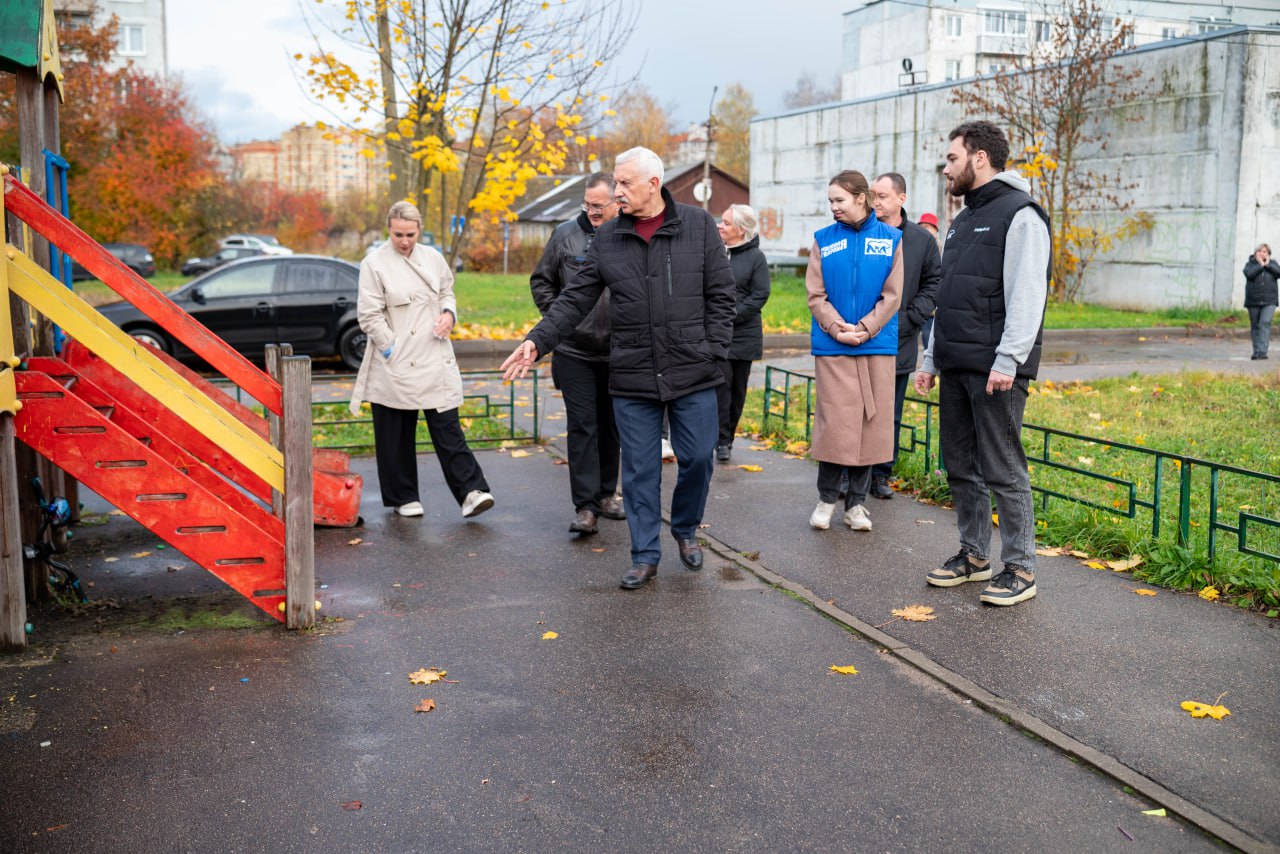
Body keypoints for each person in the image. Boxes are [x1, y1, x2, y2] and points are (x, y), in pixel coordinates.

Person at [501, 147, 736, 590]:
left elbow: (723, 295)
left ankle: (685, 527)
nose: (617, 192)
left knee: (698, 458)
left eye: (625, 183)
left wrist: (713, 350)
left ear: (653, 184)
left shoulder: (698, 225)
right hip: (632, 372)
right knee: (640, 470)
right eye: (616, 183)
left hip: (693, 369)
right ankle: (645, 554)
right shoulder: (608, 237)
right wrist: (537, 341)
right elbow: (573, 299)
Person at [914, 120, 1051, 607]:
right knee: (960, 466)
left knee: (1002, 467)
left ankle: (1021, 567)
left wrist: (1008, 359)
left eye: (952, 158)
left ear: (979, 158)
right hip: (956, 362)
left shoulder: (1021, 215)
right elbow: (949, 298)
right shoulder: (963, 220)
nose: (946, 168)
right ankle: (974, 556)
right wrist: (930, 358)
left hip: (996, 370)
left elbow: (1027, 295)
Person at [350, 201, 495, 520]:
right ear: (389, 230)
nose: (404, 241)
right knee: (395, 432)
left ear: (419, 230)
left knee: (448, 427)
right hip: (395, 360)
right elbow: (369, 314)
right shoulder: (374, 263)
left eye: (410, 234)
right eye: (398, 234)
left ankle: (472, 491)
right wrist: (391, 348)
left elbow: (447, 292)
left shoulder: (433, 258)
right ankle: (403, 496)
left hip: (434, 353)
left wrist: (449, 315)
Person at [806, 170, 903, 533]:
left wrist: (865, 328)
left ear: (861, 198)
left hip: (875, 345)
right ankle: (827, 499)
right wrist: (836, 328)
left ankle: (856, 505)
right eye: (830, 201)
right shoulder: (823, 240)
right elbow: (815, 295)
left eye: (839, 200)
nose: (833, 207)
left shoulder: (892, 239)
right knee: (835, 425)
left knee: (870, 426)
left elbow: (893, 295)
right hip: (833, 346)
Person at [529, 173, 625, 534]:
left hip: (617, 352)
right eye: (588, 204)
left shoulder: (626, 235)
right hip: (574, 352)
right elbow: (542, 281)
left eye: (599, 205)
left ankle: (606, 494)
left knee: (611, 426)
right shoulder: (565, 235)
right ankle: (585, 507)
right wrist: (560, 321)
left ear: (616, 203)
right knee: (582, 426)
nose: (592, 211)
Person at [867, 173, 941, 500]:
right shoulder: (861, 232)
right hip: (859, 336)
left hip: (899, 338)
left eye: (882, 196)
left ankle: (881, 473)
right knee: (854, 408)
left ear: (901, 198)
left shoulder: (921, 241)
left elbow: (934, 283)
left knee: (889, 413)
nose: (875, 201)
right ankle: (847, 473)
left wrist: (910, 318)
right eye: (873, 195)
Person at [714, 204, 771, 462]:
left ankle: (728, 438)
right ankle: (720, 439)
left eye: (726, 223)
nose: (720, 226)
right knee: (720, 387)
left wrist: (731, 314)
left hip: (744, 334)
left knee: (737, 390)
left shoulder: (756, 258)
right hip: (718, 334)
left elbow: (760, 294)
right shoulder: (715, 252)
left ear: (741, 229)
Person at [1243, 243, 1278, 360]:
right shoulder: (1250, 264)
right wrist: (1261, 265)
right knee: (1255, 325)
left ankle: (1263, 351)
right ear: (1255, 253)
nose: (1262, 253)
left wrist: (1267, 265)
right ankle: (1256, 351)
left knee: (1265, 323)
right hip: (1253, 300)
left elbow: (1278, 273)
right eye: (1260, 251)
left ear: (1268, 254)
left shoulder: (1273, 264)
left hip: (1269, 300)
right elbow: (1249, 274)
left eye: (1265, 252)